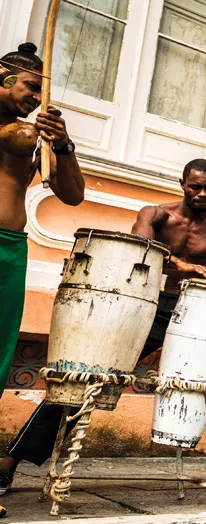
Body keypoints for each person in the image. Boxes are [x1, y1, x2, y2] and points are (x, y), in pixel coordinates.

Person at [0, 159, 206, 492]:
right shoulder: (156, 215)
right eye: (195, 186)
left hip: (196, 313)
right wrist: (181, 265)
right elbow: (141, 254)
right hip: (148, 307)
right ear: (182, 183)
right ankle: (11, 461)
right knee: (86, 376)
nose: (202, 194)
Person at [0, 43, 86, 495]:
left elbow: (72, 194)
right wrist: (26, 132)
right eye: (31, 86)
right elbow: (13, 138)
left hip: (12, 248)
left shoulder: (36, 136)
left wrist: (62, 145)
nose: (37, 98)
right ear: (2, 77)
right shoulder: (18, 131)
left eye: (41, 90)